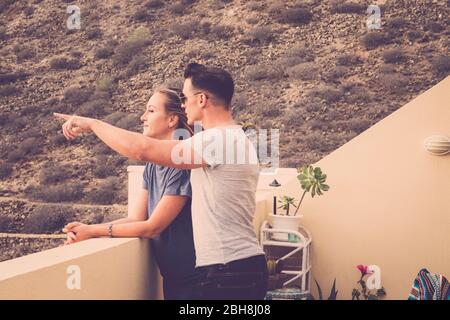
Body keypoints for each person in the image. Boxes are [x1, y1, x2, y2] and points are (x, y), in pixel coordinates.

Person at [56, 63, 268, 300]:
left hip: (228, 272)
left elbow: (142, 150)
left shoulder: (218, 140)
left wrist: (94, 124)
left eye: (186, 98)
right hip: (238, 268)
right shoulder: (233, 138)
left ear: (201, 100)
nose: (184, 104)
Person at [63, 87, 202, 300]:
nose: (143, 117)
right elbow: (135, 218)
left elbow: (152, 226)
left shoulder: (182, 164)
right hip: (174, 278)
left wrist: (94, 232)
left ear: (172, 119)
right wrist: (88, 229)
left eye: (151, 111)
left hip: (196, 281)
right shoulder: (154, 166)